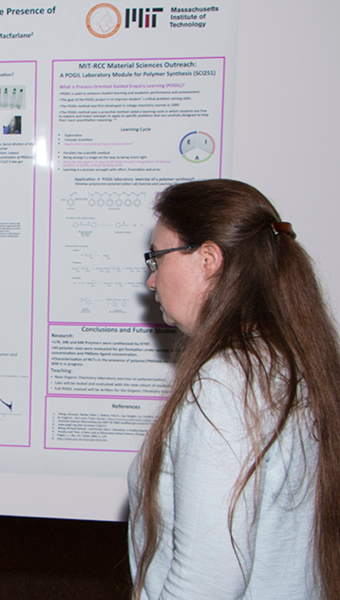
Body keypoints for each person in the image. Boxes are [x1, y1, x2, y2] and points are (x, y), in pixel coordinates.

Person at [129, 179, 340, 599]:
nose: (151, 281)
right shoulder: (288, 360)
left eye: (157, 259)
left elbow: (204, 583)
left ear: (208, 259)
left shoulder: (225, 382)